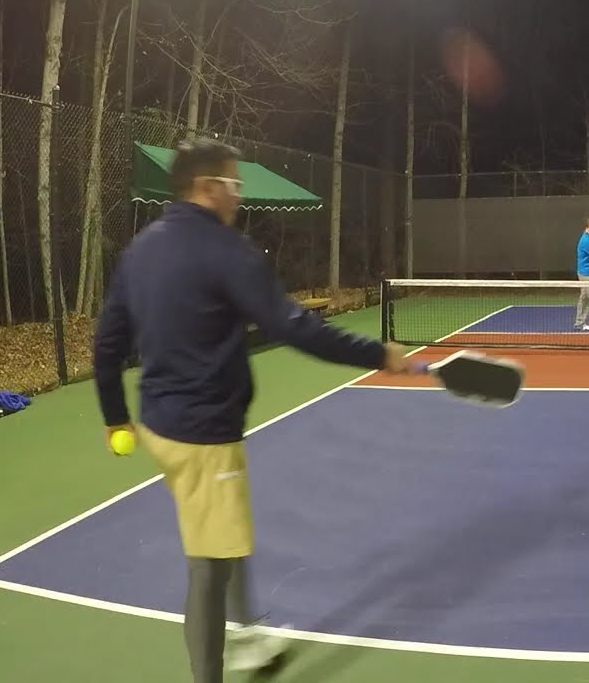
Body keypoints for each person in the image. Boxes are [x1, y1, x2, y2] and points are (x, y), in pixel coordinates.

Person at [92, 137, 416, 683]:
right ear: (207, 187)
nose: (239, 196)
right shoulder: (228, 251)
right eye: (234, 185)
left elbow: (107, 343)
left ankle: (249, 635)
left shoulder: (140, 249)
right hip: (203, 435)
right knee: (209, 567)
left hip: (159, 425)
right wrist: (378, 354)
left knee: (224, 531)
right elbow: (295, 327)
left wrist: (113, 417)